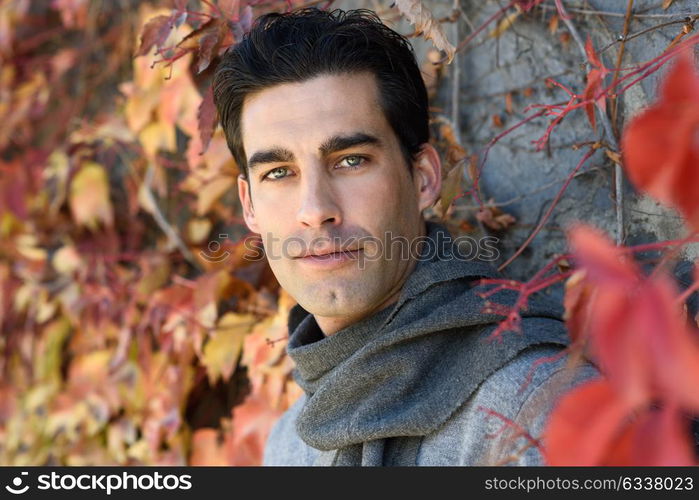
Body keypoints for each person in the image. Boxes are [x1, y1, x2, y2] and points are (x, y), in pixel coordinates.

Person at [213, 7, 599, 466]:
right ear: (249, 204)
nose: (315, 210)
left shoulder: (536, 411)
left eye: (351, 160)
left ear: (423, 178)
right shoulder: (288, 447)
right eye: (279, 172)